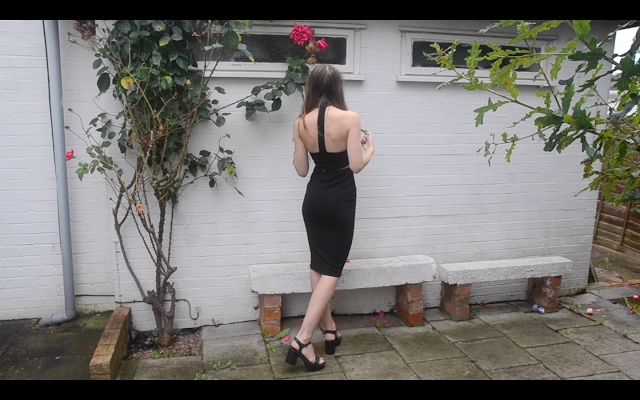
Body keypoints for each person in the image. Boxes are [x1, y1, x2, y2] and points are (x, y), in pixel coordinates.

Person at [286, 64, 375, 371]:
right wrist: (369, 149)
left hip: (314, 199)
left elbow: (301, 170)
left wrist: (302, 144)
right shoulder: (350, 118)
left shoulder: (300, 122)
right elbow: (356, 165)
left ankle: (330, 329)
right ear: (338, 86)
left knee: (319, 264)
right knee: (333, 267)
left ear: (311, 87)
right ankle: (303, 339)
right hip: (340, 200)